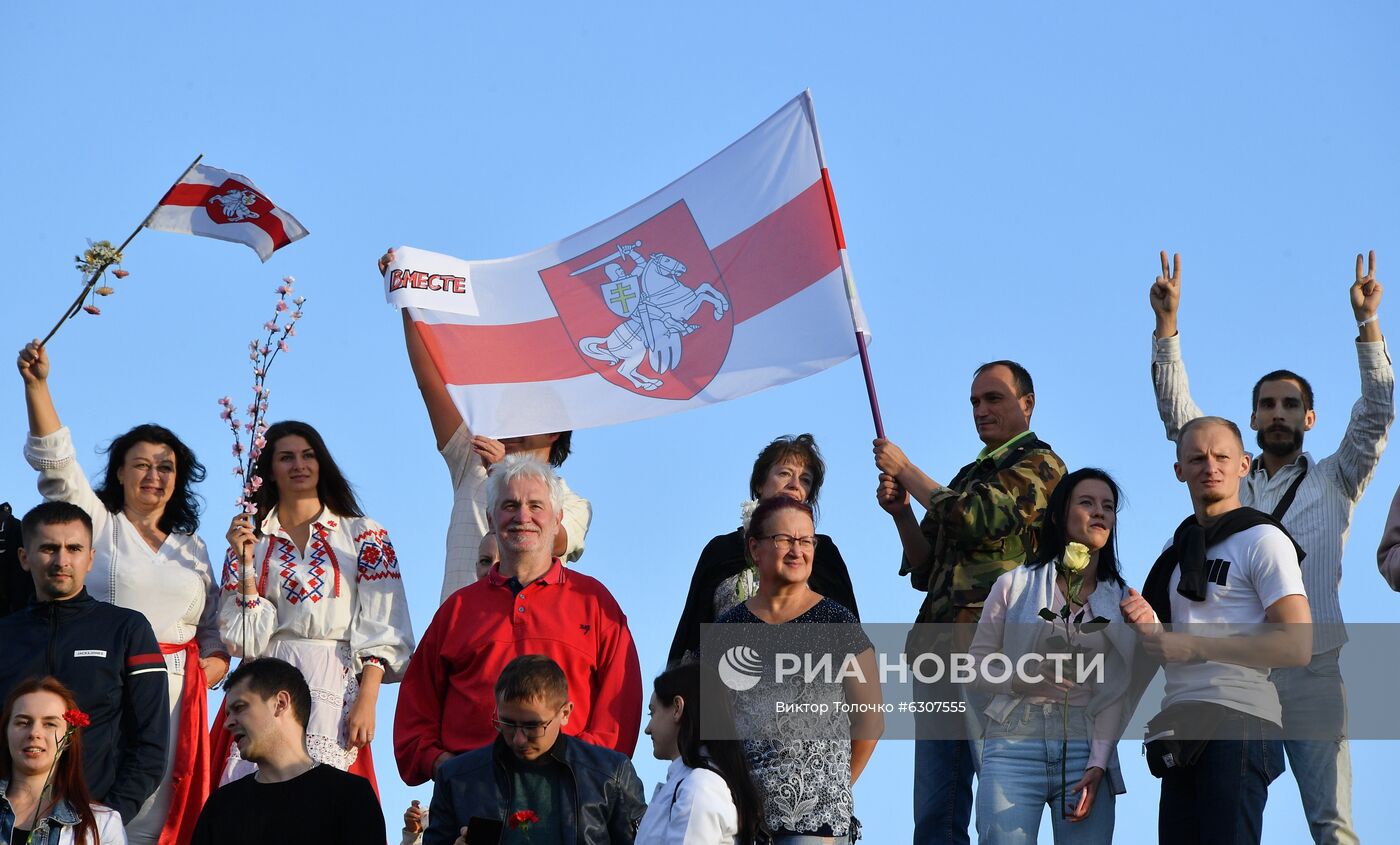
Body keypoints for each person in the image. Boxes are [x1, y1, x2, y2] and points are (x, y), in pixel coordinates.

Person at [1149, 251, 1389, 845]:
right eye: (1267, 405)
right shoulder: (1228, 479)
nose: (1278, 413)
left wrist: (1368, 326)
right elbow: (1181, 419)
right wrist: (1166, 326)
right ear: (1251, 421)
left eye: (1289, 405)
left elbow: (1379, 411)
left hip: (1312, 663)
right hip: (1231, 674)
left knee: (1330, 820)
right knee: (1221, 824)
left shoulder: (1338, 476)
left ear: (1310, 416)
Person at [17, 339, 227, 844]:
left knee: (167, 815)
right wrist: (38, 386)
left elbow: (216, 626)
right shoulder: (97, 521)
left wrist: (212, 664)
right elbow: (56, 466)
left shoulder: (192, 546)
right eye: (142, 465)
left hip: (180, 696)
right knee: (102, 806)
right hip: (105, 679)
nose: (154, 476)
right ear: (119, 471)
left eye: (166, 467)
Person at [874, 360, 1066, 845]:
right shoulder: (967, 475)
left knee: (1001, 804)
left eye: (993, 399)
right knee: (936, 807)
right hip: (938, 654)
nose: (981, 410)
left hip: (994, 655)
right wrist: (901, 514)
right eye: (975, 402)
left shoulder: (1042, 465)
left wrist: (907, 471)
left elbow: (977, 519)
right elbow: (924, 568)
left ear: (1027, 404)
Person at [394, 456, 642, 786]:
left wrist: (585, 771)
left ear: (557, 520)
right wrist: (442, 765)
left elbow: (619, 711)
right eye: (510, 505)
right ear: (490, 518)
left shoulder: (596, 604)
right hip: (473, 793)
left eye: (535, 506)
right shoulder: (457, 610)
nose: (523, 516)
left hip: (571, 794)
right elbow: (415, 710)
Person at [1121, 416, 1312, 845]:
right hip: (1180, 724)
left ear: (1244, 464)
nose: (1211, 466)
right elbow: (1152, 651)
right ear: (1179, 471)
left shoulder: (1262, 539)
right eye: (1197, 458)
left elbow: (1297, 644)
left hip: (1239, 718)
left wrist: (1193, 646)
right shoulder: (1175, 549)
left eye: (1222, 456)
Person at [377, 248, 593, 604]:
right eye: (508, 411)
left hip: (526, 635)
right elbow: (431, 383)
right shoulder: (470, 457)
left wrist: (502, 473)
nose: (511, 420)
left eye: (526, 413)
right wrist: (408, 299)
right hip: (462, 625)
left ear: (554, 428)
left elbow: (555, 540)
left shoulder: (571, 502)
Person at [215, 420, 415, 793]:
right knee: (256, 797)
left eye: (308, 455)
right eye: (286, 457)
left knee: (329, 798)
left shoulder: (363, 534)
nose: (299, 465)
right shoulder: (250, 541)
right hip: (265, 677)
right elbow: (243, 640)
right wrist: (244, 564)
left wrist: (368, 697)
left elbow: (384, 621)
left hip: (334, 679)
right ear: (269, 471)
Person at [968, 468, 1141, 845]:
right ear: (1061, 515)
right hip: (1014, 741)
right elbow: (974, 668)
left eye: (1108, 507)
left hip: (1086, 745)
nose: (1099, 512)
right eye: (1087, 503)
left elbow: (1116, 690)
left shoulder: (1123, 600)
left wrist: (1099, 763)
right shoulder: (1014, 584)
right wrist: (1020, 677)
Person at [717, 496, 881, 844]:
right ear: (755, 548)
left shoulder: (839, 623)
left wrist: (833, 790)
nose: (797, 550)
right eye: (784, 540)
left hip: (814, 823)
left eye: (805, 540)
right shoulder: (727, 629)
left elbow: (871, 721)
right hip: (737, 821)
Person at [0, 501, 168, 827]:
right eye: (49, 548)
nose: (62, 561)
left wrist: (104, 819)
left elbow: (150, 745)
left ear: (90, 558)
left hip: (91, 822)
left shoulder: (127, 629)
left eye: (74, 548)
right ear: (23, 557)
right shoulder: (4, 634)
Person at [667, 434, 859, 667]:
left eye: (805, 480)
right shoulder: (721, 550)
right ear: (759, 483)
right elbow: (691, 630)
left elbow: (850, 642)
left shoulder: (823, 553)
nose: (795, 485)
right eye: (784, 473)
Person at [424, 655, 646, 845]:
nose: (519, 739)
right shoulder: (455, 778)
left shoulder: (611, 775)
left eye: (532, 726)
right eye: (507, 724)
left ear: (565, 713)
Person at [190, 657, 385, 845]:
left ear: (281, 703)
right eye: (227, 713)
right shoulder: (222, 806)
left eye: (240, 707)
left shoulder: (350, 797)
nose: (227, 723)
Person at [636, 662, 765, 844]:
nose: (647, 729)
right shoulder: (691, 783)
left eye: (652, 713)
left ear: (677, 708)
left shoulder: (700, 786)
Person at [1, 676, 126, 845]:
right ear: (6, 733)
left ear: (68, 738)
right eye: (23, 722)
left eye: (50, 724)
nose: (34, 733)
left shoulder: (102, 825)